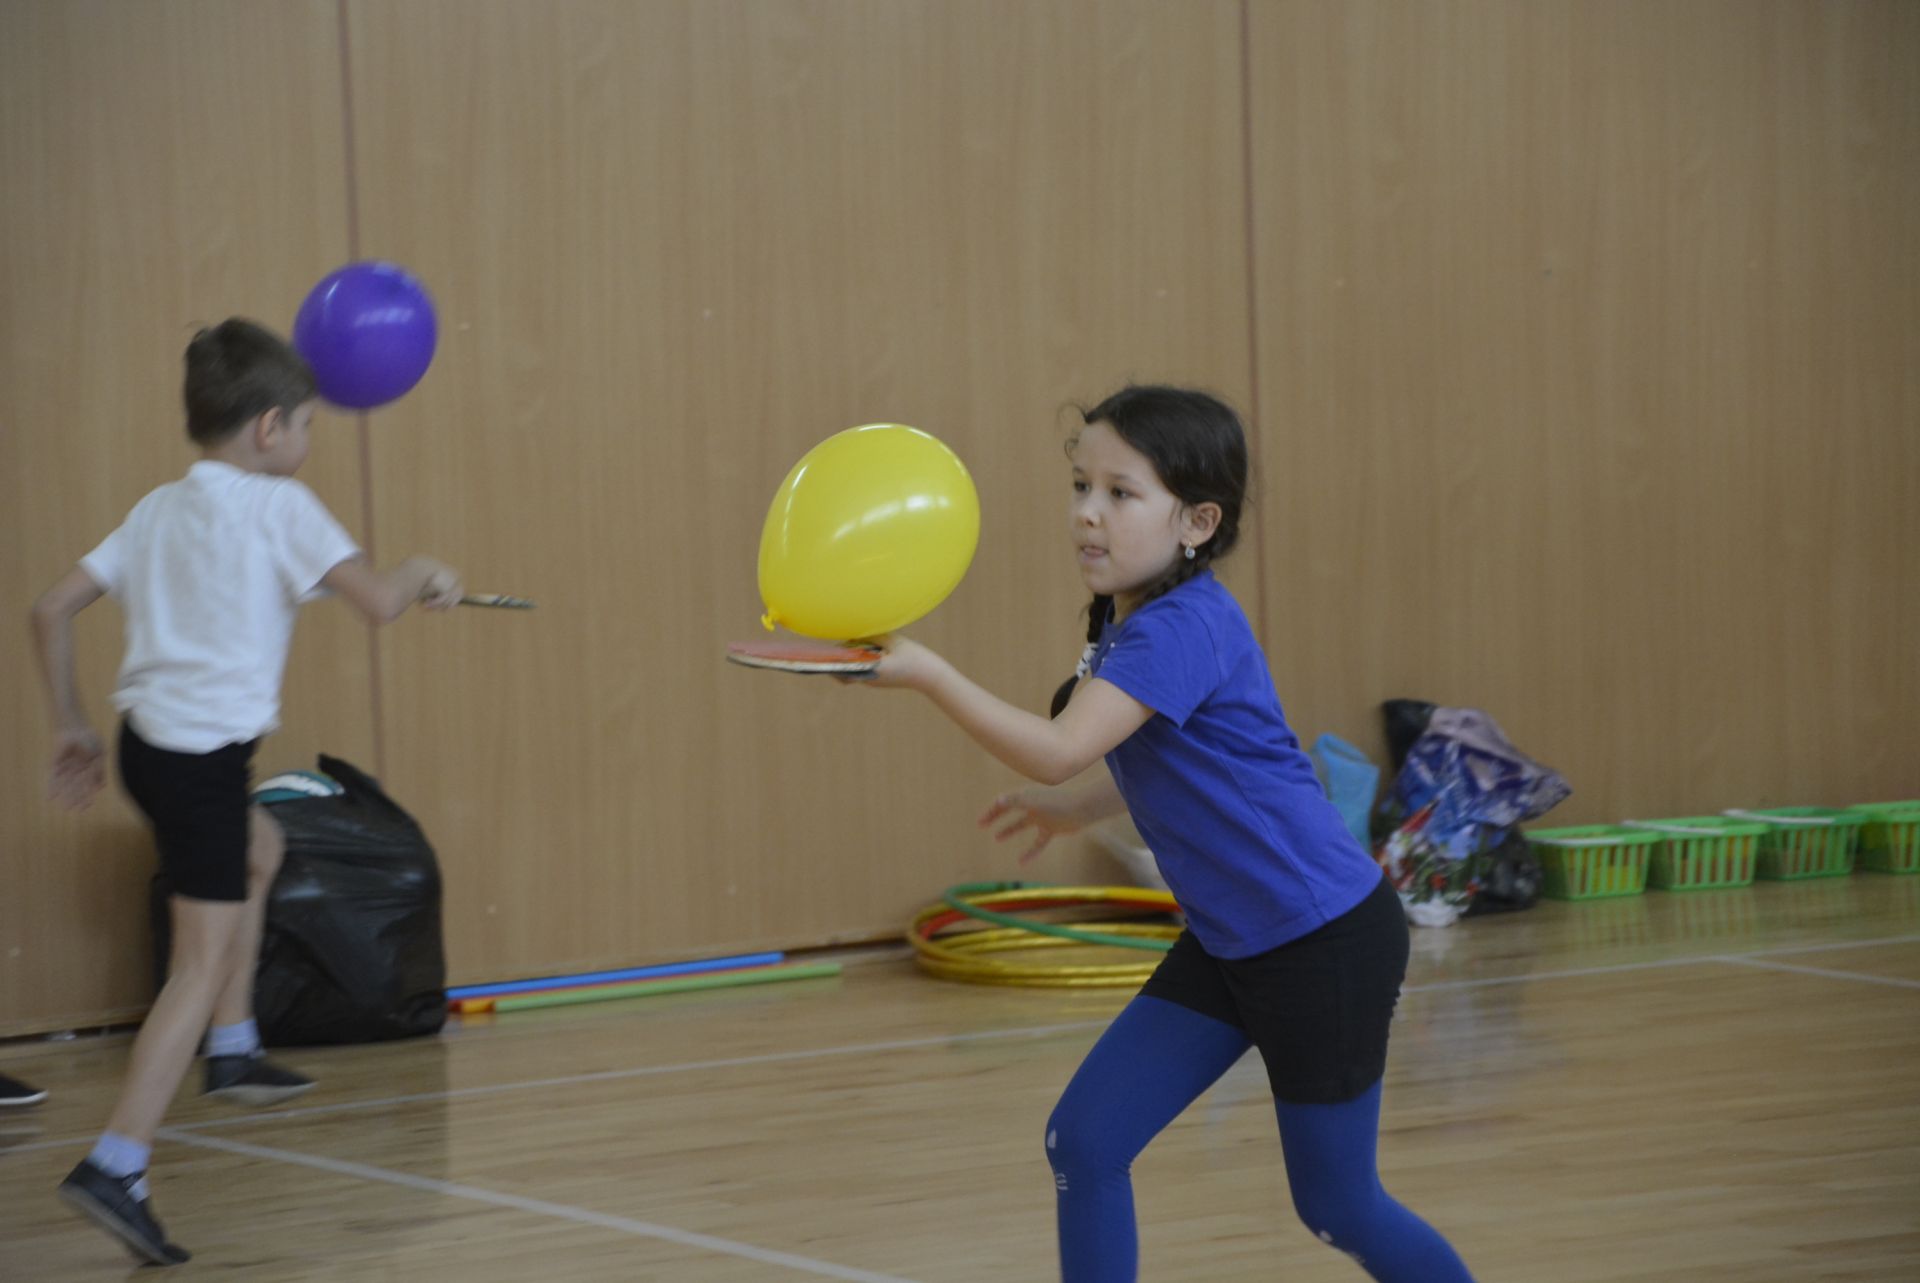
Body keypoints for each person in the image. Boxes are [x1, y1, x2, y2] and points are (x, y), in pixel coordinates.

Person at [849, 385, 1473, 1281]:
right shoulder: (1131, 616)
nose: (1088, 515)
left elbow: (1063, 747)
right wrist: (1074, 811)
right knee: (1087, 1140)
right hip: (1232, 941)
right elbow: (1171, 760)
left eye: (1120, 492)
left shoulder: (1177, 626)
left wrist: (928, 673)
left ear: (1197, 519)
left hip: (1321, 943)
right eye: (1080, 486)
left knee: (1338, 1204)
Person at [29, 318, 463, 1266]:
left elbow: (50, 607)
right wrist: (429, 572)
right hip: (200, 768)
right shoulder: (284, 506)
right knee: (196, 960)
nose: (308, 442)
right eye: (307, 424)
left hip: (147, 746)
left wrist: (68, 723)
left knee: (261, 851)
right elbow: (382, 601)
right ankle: (117, 1162)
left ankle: (235, 1047)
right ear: (270, 428)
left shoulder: (157, 508)